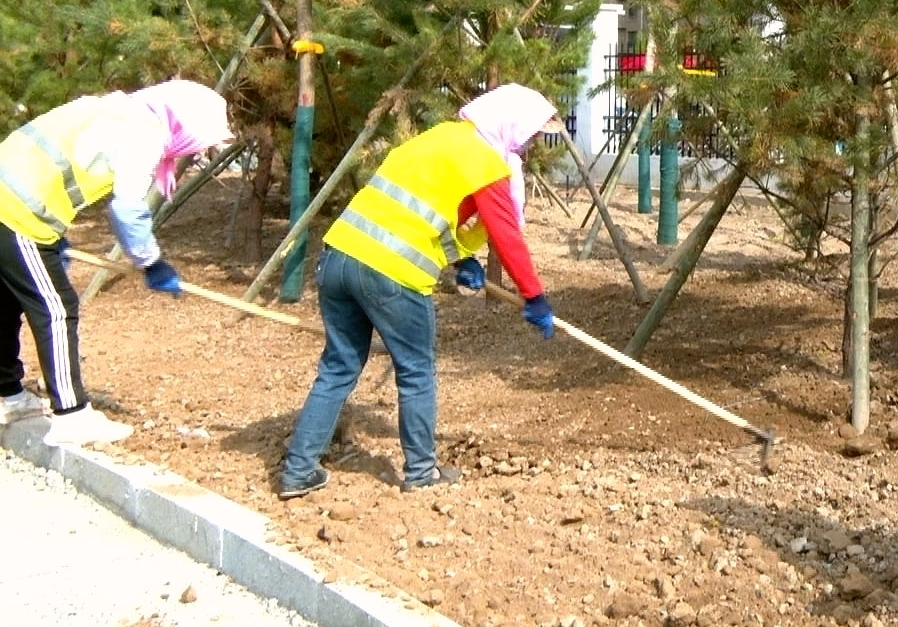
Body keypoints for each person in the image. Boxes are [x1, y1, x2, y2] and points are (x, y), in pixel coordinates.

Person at [278, 83, 562, 498]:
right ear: (512, 124)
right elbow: (505, 234)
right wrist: (534, 296)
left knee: (338, 367)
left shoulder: (434, 139)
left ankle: (298, 470)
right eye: (532, 134)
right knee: (416, 372)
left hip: (339, 257)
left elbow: (421, 209)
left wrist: (464, 261)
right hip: (393, 274)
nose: (531, 144)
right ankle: (422, 471)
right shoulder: (485, 162)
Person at [0, 81, 234, 445]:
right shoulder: (144, 132)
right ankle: (72, 416)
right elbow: (127, 210)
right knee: (58, 310)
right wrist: (152, 262)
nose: (200, 147)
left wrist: (55, 231)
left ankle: (8, 396)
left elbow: (58, 159)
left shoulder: (113, 107)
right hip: (17, 212)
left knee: (7, 302)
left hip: (11, 201)